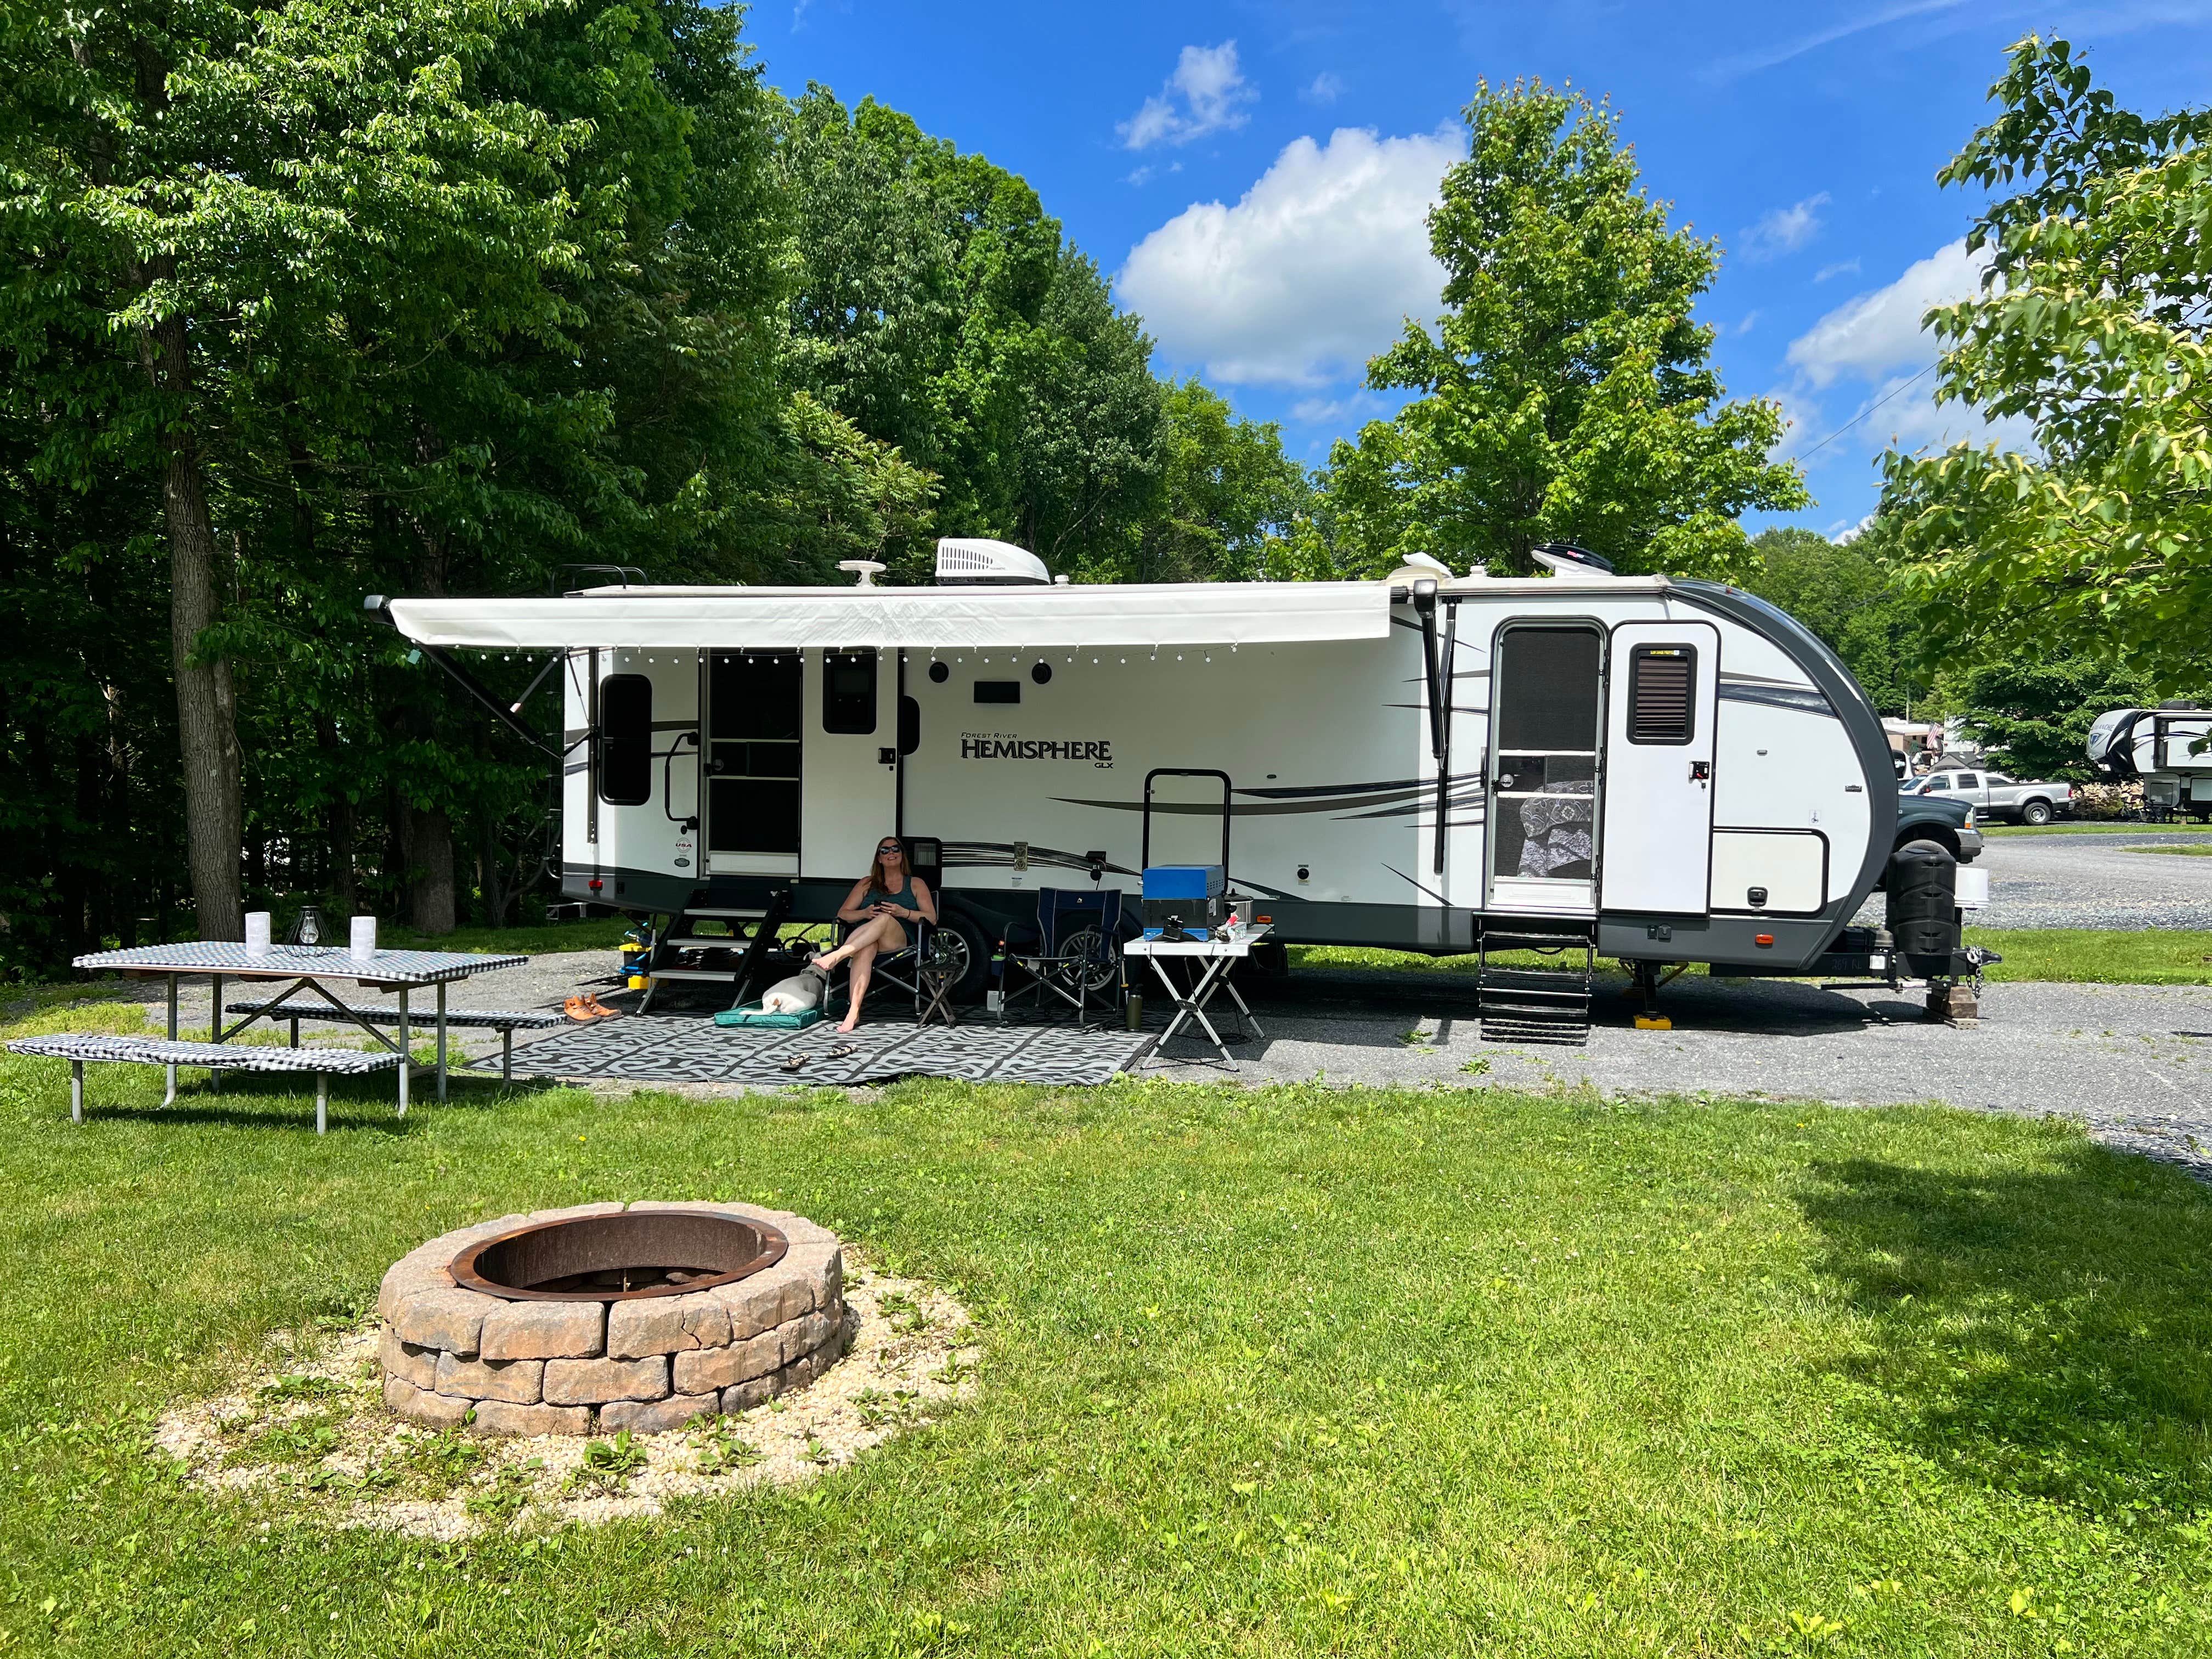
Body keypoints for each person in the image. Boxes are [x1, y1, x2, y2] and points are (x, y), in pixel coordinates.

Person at [809, 836, 937, 1032]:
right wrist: (865, 912)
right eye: (884, 850)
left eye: (896, 849)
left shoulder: (916, 884)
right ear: (878, 858)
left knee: (885, 919)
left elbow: (932, 918)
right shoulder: (866, 884)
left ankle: (840, 954)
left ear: (902, 855)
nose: (891, 853)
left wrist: (903, 912)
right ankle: (854, 1011)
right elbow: (843, 914)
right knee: (867, 946)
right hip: (866, 940)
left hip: (899, 941)